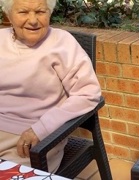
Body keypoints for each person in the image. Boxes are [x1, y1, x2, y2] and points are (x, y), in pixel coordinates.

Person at [0, 0, 101, 173]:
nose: (33, 20)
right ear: (8, 15)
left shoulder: (62, 43)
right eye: (23, 12)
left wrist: (41, 129)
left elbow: (88, 93)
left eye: (40, 11)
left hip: (32, 139)